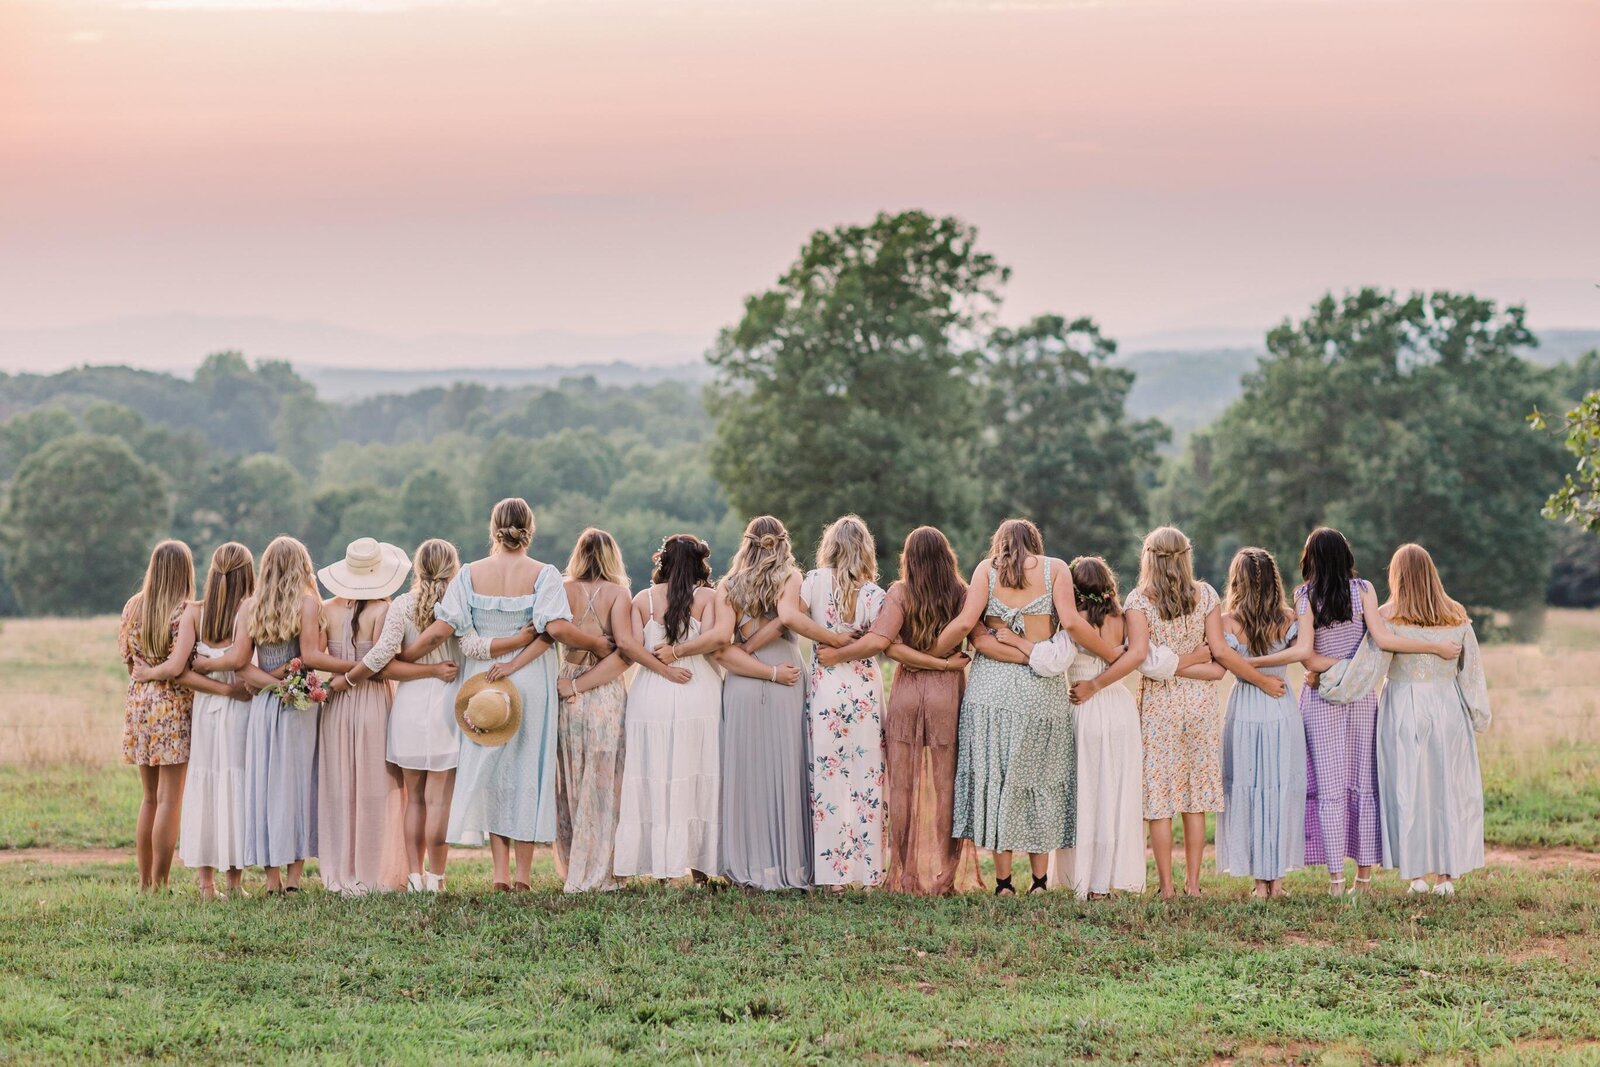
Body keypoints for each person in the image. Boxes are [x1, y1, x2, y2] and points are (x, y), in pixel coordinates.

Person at [402, 498, 609, 891]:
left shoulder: (469, 575)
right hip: (530, 678)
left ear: (493, 527)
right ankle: (524, 877)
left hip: (484, 682)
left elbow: (444, 629)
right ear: (530, 528)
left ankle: (499, 875)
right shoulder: (544, 574)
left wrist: (405, 656)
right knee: (528, 771)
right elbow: (554, 631)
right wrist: (598, 644)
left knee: (495, 774)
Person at [935, 519, 1130, 895]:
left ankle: (1004, 883)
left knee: (998, 781)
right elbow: (1071, 622)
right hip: (1041, 690)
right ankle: (1039, 882)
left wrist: (932, 652)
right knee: (1039, 780)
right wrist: (1108, 655)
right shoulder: (1055, 568)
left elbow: (966, 624)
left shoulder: (985, 571)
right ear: (1035, 543)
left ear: (1000, 544)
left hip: (990, 690)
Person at [1312, 544, 1488, 896]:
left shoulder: (1387, 616)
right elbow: (1472, 675)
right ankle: (1447, 877)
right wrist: (1477, 715)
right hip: (1447, 707)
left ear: (1397, 576)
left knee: (1409, 788)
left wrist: (1327, 679)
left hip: (1403, 709)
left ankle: (1417, 875)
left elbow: (1366, 668)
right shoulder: (1456, 616)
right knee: (1447, 789)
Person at [1123, 526, 1285, 899]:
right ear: (1186, 555)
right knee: (1195, 797)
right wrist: (1192, 658)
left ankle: (1166, 887)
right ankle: (1193, 886)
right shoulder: (1207, 594)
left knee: (1160, 798)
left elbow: (1145, 663)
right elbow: (1217, 660)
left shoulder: (1137, 601)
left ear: (1148, 557)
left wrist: (1170, 663)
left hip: (1159, 705)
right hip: (1200, 704)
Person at [822, 526, 979, 895]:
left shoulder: (900, 593)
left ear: (908, 558)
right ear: (947, 556)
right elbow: (975, 636)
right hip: (946, 695)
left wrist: (921, 661)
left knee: (902, 788)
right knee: (946, 788)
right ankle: (945, 876)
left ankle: (906, 874)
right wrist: (942, 664)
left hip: (907, 693)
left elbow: (887, 646)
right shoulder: (963, 593)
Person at [326, 538, 464, 892]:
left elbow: (383, 661)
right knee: (438, 800)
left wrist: (347, 679)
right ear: (453, 568)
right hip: (448, 707)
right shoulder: (461, 605)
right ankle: (437, 877)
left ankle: (415, 875)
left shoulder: (401, 605)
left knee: (414, 800)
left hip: (408, 709)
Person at [614, 533, 726, 882]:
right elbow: (713, 643)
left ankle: (662, 868)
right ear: (700, 563)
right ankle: (700, 869)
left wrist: (663, 666)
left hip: (651, 693)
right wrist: (680, 656)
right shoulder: (709, 597)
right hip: (698, 687)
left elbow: (630, 647)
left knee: (656, 773)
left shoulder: (643, 600)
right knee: (698, 773)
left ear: (662, 562)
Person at [241, 536, 347, 894]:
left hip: (265, 707)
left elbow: (241, 665)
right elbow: (311, 658)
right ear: (302, 566)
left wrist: (268, 684)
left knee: (267, 787)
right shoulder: (307, 604)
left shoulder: (250, 607)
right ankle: (293, 880)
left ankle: (271, 881)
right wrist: (358, 665)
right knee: (300, 785)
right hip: (298, 704)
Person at [788, 515, 889, 888]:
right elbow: (880, 643)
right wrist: (844, 642)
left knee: (829, 778)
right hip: (863, 689)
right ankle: (867, 872)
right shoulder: (875, 595)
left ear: (828, 546)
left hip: (827, 688)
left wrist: (825, 640)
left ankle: (833, 874)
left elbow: (792, 620)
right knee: (866, 778)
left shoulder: (812, 583)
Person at [715, 516, 812, 892]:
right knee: (786, 770)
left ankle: (748, 864)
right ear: (783, 543)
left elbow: (724, 650)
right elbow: (787, 619)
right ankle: (786, 865)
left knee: (745, 773)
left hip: (741, 681)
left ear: (747, 543)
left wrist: (750, 653)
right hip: (786, 676)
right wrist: (771, 670)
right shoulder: (792, 578)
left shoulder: (728, 586)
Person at [1212, 548, 1309, 899]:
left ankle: (1261, 883)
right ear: (1274, 580)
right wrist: (1268, 679)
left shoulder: (1227, 621)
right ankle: (1276, 882)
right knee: (1278, 788)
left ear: (1236, 581)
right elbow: (1306, 655)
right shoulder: (1288, 618)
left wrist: (1257, 678)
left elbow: (1226, 661)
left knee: (1251, 788)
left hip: (1247, 708)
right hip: (1280, 704)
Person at [171, 542, 257, 900]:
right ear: (248, 575)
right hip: (238, 706)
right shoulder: (248, 611)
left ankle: (207, 884)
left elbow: (183, 672)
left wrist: (211, 679)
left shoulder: (195, 613)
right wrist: (228, 691)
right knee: (236, 784)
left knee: (207, 785)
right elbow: (239, 661)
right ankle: (234, 883)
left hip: (206, 709)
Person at [550, 528, 634, 892]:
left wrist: (571, 685)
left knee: (570, 778)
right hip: (603, 693)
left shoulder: (562, 590)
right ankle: (600, 869)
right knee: (603, 783)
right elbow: (623, 657)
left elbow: (550, 632)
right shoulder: (619, 594)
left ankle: (573, 866)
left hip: (567, 686)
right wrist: (584, 684)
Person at [119, 539, 200, 891]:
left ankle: (143, 882)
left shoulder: (133, 607)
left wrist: (145, 675)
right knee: (170, 798)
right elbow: (182, 666)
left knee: (148, 797)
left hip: (139, 704)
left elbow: (127, 660)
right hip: (172, 705)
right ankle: (161, 882)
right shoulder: (184, 611)